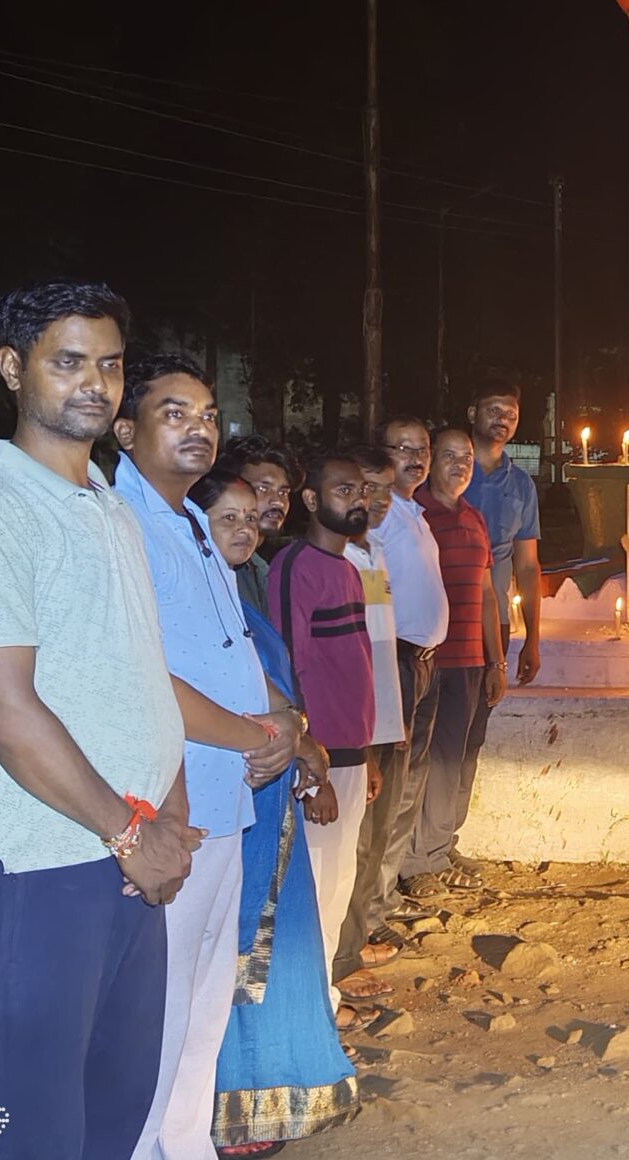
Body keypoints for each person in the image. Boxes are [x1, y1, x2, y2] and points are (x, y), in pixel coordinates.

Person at [0, 279, 193, 1159]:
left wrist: (171, 817)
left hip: (129, 849)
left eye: (109, 364)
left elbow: (142, 677)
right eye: (69, 361)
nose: (95, 383)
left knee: (115, 1109)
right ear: (13, 368)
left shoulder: (111, 507)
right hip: (44, 863)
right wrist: (131, 834)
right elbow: (4, 711)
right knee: (36, 1127)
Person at [109, 355, 305, 1160]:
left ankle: (184, 1146)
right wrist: (260, 736)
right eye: (174, 413)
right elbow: (143, 678)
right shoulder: (119, 525)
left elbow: (236, 649)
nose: (199, 428)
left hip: (228, 799)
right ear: (125, 431)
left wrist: (286, 718)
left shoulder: (192, 522)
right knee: (155, 1012)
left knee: (202, 1002)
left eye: (207, 415)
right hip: (170, 804)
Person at [188, 469, 356, 1155]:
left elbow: (274, 688)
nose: (244, 528)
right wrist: (285, 739)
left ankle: (269, 1099)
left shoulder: (236, 593)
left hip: (270, 793)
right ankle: (225, 1108)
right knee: (233, 953)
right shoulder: (190, 598)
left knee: (280, 945)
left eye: (249, 516)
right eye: (225, 517)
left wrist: (302, 743)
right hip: (228, 793)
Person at [264, 451, 385, 1031]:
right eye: (344, 490)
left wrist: (367, 755)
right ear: (311, 500)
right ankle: (301, 1019)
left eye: (361, 490)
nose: (358, 500)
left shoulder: (348, 568)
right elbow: (289, 670)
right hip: (319, 761)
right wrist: (312, 773)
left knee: (337, 886)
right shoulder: (295, 567)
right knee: (311, 891)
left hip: (350, 754)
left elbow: (352, 669)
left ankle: (323, 1007)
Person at [407, 426, 505, 896]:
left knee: (462, 758)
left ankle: (442, 844)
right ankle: (419, 858)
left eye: (466, 457)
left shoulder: (474, 518)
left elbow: (487, 593)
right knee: (432, 762)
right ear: (431, 461)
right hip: (432, 659)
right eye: (449, 455)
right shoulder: (417, 516)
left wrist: (496, 662)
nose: (460, 465)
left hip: (470, 659)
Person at [334, 445, 411, 995]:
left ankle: (355, 938)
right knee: (354, 842)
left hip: (385, 713)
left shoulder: (373, 549)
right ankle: (340, 958)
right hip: (357, 723)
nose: (376, 499)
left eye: (384, 489)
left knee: (376, 836)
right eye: (364, 488)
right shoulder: (337, 559)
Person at [369, 418, 451, 909]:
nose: (415, 458)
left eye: (422, 449)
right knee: (389, 788)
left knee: (410, 783)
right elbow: (372, 595)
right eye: (403, 448)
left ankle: (386, 894)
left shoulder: (414, 514)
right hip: (395, 659)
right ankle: (371, 906)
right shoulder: (380, 516)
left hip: (423, 662)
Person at [464, 380, 542, 685]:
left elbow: (527, 566)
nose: (503, 420)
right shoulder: (446, 474)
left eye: (511, 415)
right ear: (472, 413)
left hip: (496, 621)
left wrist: (532, 639)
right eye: (494, 411)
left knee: (483, 707)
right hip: (446, 617)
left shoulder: (521, 485)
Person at [219, 435, 296, 614]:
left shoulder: (257, 567)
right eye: (263, 488)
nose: (278, 502)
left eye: (283, 492)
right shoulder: (217, 564)